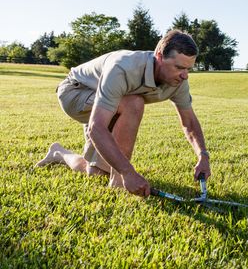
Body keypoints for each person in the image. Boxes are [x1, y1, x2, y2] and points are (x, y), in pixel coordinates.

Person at [35, 30, 211, 197]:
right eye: (179, 67)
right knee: (134, 102)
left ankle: (58, 153)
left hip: (109, 104)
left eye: (189, 69)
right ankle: (119, 182)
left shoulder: (178, 81)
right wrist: (128, 172)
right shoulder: (123, 67)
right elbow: (97, 128)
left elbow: (189, 121)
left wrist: (202, 155)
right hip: (75, 92)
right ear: (159, 57)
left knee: (95, 173)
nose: (185, 75)